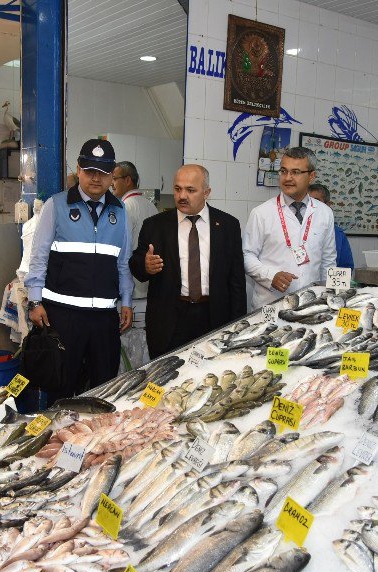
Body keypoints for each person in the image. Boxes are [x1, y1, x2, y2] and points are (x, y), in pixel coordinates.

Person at [25, 139, 133, 400]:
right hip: (63, 318)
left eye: (104, 173)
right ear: (79, 169)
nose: (96, 178)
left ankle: (96, 439)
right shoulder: (57, 205)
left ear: (112, 176)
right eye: (90, 171)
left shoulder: (120, 212)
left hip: (104, 320)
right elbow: (38, 256)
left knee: (103, 389)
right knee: (61, 385)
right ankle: (56, 439)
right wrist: (34, 301)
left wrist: (126, 301)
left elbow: (123, 262)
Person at [129, 164, 247, 359]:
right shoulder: (155, 225)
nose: (182, 195)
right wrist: (145, 265)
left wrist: (238, 325)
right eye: (178, 189)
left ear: (206, 192)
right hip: (169, 320)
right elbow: (136, 264)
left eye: (190, 190)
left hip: (214, 316)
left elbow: (236, 281)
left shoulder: (228, 225)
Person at [243, 146, 337, 309]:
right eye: (283, 171)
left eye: (296, 172)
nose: (287, 178)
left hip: (311, 303)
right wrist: (270, 276)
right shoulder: (261, 213)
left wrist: (329, 298)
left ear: (311, 176)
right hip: (271, 304)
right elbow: (246, 256)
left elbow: (328, 261)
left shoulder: (325, 213)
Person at [112, 160, 158, 367]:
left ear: (128, 180)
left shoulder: (125, 208)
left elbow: (121, 253)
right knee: (144, 353)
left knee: (125, 357)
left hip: (129, 295)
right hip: (148, 293)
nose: (112, 183)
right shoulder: (150, 206)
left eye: (115, 178)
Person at [308, 183, 355, 270]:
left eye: (316, 201)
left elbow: (345, 269)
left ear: (327, 205)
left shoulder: (338, 234)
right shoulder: (294, 228)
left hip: (326, 282)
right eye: (308, 202)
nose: (311, 206)